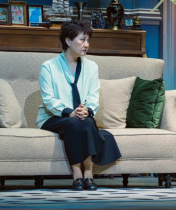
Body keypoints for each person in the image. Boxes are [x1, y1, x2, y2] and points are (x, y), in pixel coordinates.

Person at [37, 21, 121, 191]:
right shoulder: (49, 67)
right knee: (75, 123)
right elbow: (48, 99)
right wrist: (69, 112)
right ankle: (78, 172)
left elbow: (93, 95)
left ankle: (88, 172)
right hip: (53, 117)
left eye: (88, 40)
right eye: (82, 40)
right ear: (68, 41)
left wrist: (86, 110)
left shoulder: (91, 67)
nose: (86, 44)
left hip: (81, 117)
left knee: (86, 121)